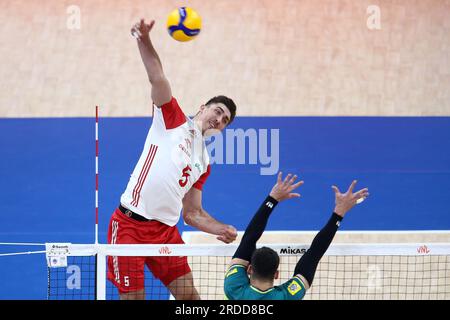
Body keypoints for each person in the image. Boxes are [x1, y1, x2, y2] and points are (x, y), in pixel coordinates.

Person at [107, 18, 238, 300]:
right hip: (130, 226)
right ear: (203, 107)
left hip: (165, 232)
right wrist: (143, 39)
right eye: (217, 111)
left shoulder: (204, 161)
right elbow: (157, 77)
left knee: (191, 299)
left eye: (224, 120)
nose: (218, 119)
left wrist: (220, 229)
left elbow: (191, 214)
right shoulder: (173, 119)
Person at [224, 172, 369, 300]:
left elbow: (249, 237)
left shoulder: (233, 289)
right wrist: (339, 212)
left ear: (249, 269)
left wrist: (272, 199)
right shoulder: (287, 296)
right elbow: (314, 254)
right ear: (276, 274)